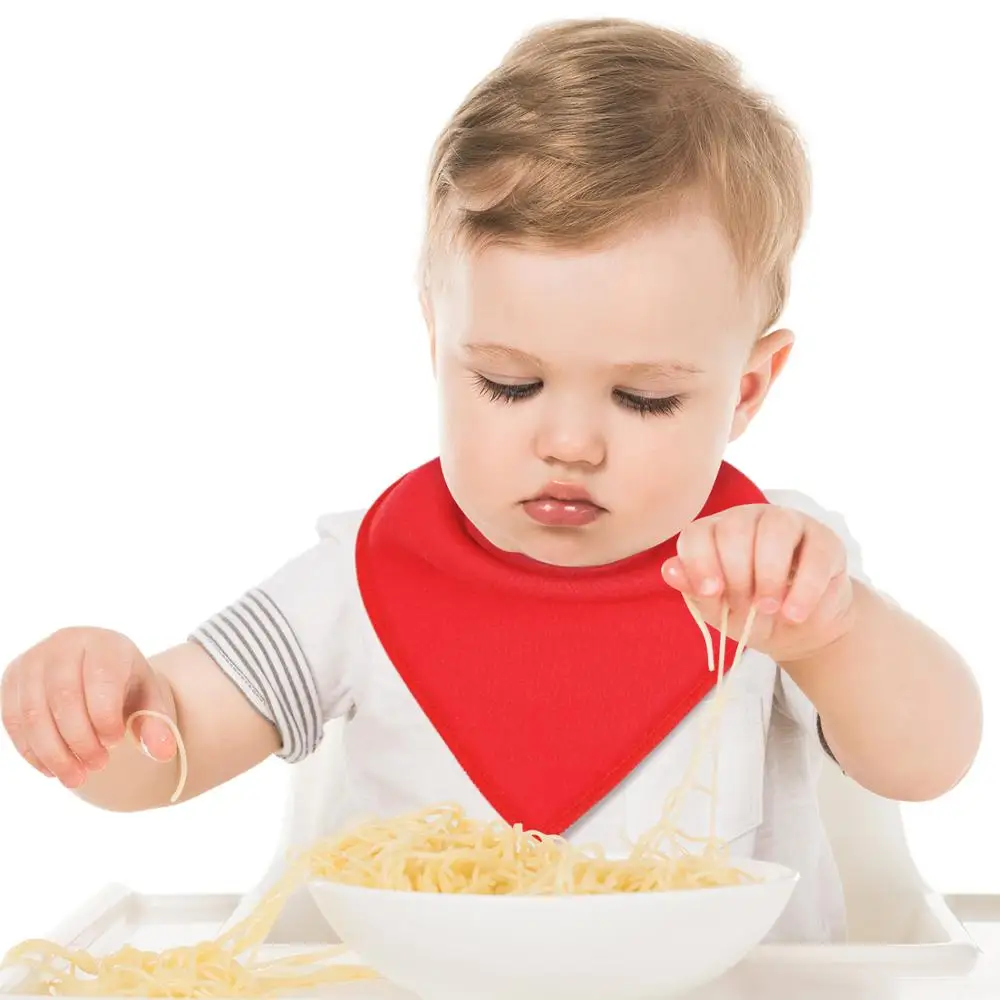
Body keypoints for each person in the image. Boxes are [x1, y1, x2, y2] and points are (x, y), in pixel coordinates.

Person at [0, 17, 981, 944]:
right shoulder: (363, 576)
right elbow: (170, 751)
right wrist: (99, 707)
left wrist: (831, 636)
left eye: (642, 398)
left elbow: (931, 757)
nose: (570, 442)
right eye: (509, 383)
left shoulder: (772, 569)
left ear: (747, 388)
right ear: (439, 343)